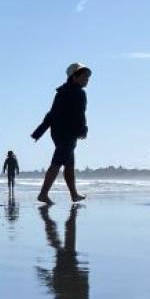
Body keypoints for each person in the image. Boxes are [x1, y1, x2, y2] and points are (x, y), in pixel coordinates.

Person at [32, 62, 92, 204]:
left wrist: (39, 131)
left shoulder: (61, 92)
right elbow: (80, 114)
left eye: (88, 77)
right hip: (68, 134)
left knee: (69, 163)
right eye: (84, 77)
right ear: (74, 77)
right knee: (57, 162)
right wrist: (83, 128)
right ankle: (43, 194)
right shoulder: (79, 93)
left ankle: (74, 194)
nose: (87, 80)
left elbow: (51, 114)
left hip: (58, 132)